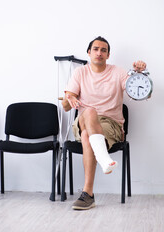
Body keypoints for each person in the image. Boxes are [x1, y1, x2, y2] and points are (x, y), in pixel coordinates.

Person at [62, 36, 146, 210]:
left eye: (103, 50)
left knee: (87, 135)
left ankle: (88, 195)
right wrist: (69, 98)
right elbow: (65, 107)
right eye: (95, 49)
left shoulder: (118, 72)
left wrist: (139, 75)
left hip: (111, 124)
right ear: (89, 52)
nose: (99, 53)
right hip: (84, 119)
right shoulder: (80, 73)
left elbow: (138, 92)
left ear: (108, 55)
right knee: (90, 111)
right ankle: (103, 158)